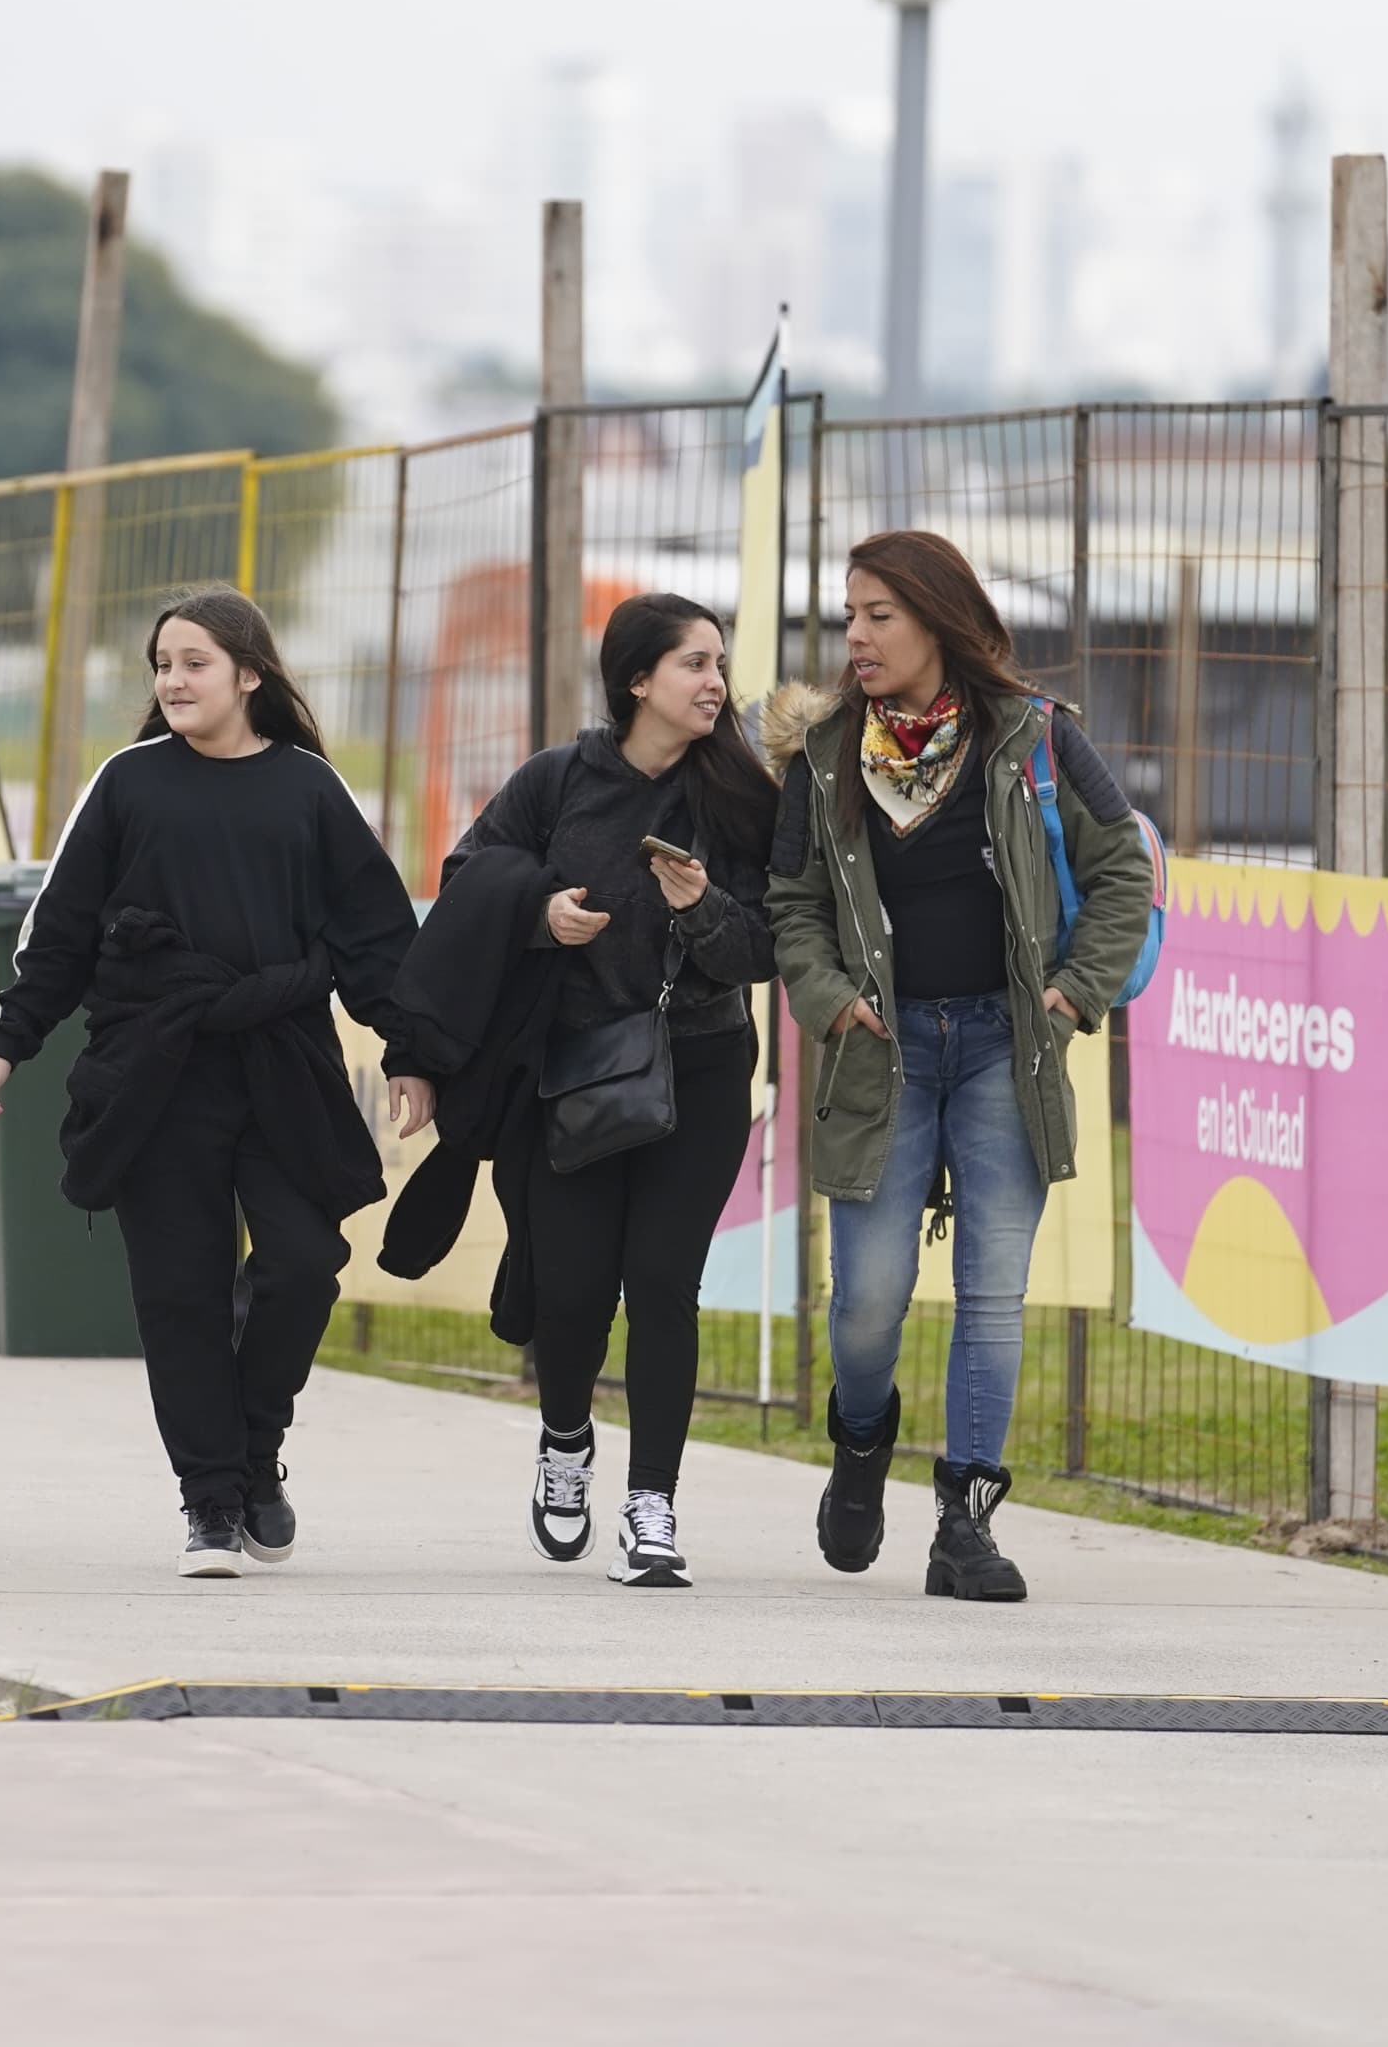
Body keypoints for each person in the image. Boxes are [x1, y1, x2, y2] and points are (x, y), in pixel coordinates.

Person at [0, 590, 433, 1580]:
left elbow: (376, 936)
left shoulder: (308, 788)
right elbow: (62, 933)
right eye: (160, 663)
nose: (171, 680)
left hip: (282, 1060)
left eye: (193, 662)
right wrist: (7, 1040)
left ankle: (255, 1448)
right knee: (178, 1297)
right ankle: (211, 1504)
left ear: (248, 674)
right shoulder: (126, 784)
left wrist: (411, 1048)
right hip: (154, 1066)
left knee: (303, 1262)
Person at [765, 530, 1148, 1601]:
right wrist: (831, 1003)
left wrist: (1075, 989)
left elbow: (1122, 868)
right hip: (878, 1057)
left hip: (1001, 1049)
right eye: (848, 616)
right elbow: (791, 904)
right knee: (868, 1305)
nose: (855, 637)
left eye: (877, 615)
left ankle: (965, 1526)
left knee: (991, 1296)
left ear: (936, 618)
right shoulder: (828, 750)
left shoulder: (1034, 738)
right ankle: (858, 1442)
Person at [415, 593, 776, 1585]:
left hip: (695, 1069)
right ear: (635, 681)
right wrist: (539, 912)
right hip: (567, 1072)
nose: (714, 681)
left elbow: (767, 950)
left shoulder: (740, 797)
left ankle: (650, 1506)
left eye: (717, 663)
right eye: (693, 664)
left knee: (662, 1283)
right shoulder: (556, 781)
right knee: (571, 1290)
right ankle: (564, 1439)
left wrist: (701, 910)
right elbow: (464, 874)